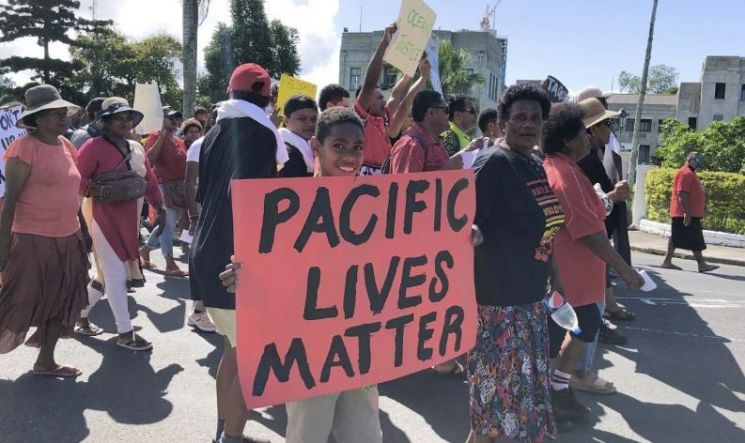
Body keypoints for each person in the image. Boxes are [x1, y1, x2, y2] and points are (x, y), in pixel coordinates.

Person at [219, 107, 382, 443]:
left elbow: (410, 251)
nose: (350, 155)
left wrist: (456, 236)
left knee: (365, 436)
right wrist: (242, 278)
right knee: (308, 434)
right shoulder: (287, 208)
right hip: (308, 354)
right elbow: (263, 267)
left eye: (357, 147)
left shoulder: (379, 207)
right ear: (316, 148)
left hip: (360, 348)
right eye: (339, 146)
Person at [190, 62, 285, 443]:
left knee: (233, 350)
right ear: (264, 95)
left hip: (207, 251)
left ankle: (223, 429)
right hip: (237, 259)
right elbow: (253, 201)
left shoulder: (214, 131)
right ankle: (232, 436)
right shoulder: (261, 133)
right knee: (251, 358)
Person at [467, 84, 565, 442]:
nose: (528, 125)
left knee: (499, 414)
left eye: (535, 118)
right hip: (495, 311)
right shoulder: (493, 164)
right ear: (502, 122)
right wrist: (472, 232)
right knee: (495, 414)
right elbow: (461, 226)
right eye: (520, 117)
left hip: (529, 307)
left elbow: (547, 229)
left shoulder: (534, 164)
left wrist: (555, 276)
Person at [542, 102, 644, 422]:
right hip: (569, 279)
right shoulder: (564, 175)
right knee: (575, 331)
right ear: (569, 141)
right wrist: (626, 270)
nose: (588, 138)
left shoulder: (570, 169)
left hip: (579, 277)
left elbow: (593, 212)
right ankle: (553, 394)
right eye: (583, 133)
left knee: (580, 330)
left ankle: (557, 388)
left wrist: (611, 198)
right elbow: (589, 233)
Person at [0, 84, 89, 377]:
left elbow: (72, 194)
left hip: (68, 237)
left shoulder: (67, 146)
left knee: (62, 300)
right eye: (55, 114)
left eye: (64, 112)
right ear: (36, 120)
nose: (64, 118)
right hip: (31, 239)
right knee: (16, 300)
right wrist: (3, 247)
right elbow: (9, 202)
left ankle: (45, 362)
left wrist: (84, 232)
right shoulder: (23, 149)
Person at [76, 97, 165, 351]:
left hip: (130, 218)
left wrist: (158, 205)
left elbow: (149, 179)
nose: (125, 123)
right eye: (118, 118)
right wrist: (94, 189)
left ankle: (80, 316)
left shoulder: (136, 148)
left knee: (104, 274)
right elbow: (76, 178)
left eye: (128, 118)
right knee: (115, 274)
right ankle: (125, 333)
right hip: (102, 218)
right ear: (105, 122)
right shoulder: (92, 147)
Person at [577, 98, 634, 345]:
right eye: (606, 123)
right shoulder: (582, 161)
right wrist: (614, 196)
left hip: (598, 233)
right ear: (591, 129)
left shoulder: (596, 155)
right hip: (588, 238)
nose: (609, 129)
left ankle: (603, 312)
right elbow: (584, 205)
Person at [354, 22, 412, 175]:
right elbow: (370, 83)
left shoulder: (384, 117)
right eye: (379, 97)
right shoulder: (358, 119)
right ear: (364, 100)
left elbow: (396, 95)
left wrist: (411, 70)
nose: (384, 101)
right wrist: (384, 45)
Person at [140, 106, 188, 277]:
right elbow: (150, 159)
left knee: (167, 224)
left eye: (176, 118)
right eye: (170, 118)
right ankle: (169, 262)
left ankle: (145, 251)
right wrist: (160, 136)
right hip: (163, 186)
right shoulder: (154, 137)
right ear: (161, 120)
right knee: (168, 225)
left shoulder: (179, 140)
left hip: (178, 187)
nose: (174, 121)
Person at [184, 108, 218, 333]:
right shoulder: (200, 145)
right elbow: (189, 184)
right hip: (202, 207)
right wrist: (194, 216)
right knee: (201, 256)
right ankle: (198, 311)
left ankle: (208, 307)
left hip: (220, 207)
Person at [661, 152, 719, 272]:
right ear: (691, 160)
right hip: (685, 213)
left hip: (687, 212)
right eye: (697, 160)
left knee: (676, 237)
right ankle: (701, 264)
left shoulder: (690, 173)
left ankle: (667, 261)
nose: (699, 162)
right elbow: (682, 193)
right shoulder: (685, 173)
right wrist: (687, 212)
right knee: (695, 238)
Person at [389, 90, 463, 174]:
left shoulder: (436, 141)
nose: (449, 115)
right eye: (445, 110)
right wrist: (447, 170)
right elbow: (404, 185)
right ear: (431, 112)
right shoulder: (411, 145)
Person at [278, 94, 318, 178]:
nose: (310, 124)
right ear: (285, 120)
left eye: (314, 119)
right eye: (302, 119)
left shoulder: (316, 148)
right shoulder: (286, 153)